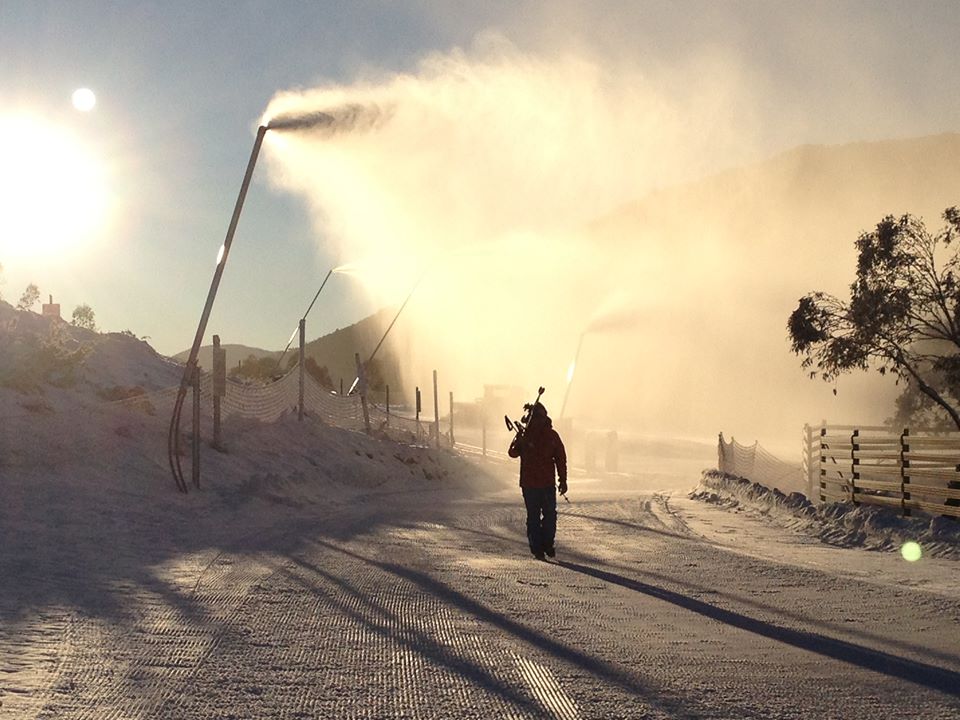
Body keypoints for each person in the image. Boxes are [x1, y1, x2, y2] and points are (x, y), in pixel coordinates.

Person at [508, 402, 568, 560]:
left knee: (534, 517)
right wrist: (563, 480)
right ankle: (546, 544)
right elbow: (561, 459)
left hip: (531, 485)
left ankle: (538, 548)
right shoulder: (549, 435)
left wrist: (518, 440)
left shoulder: (528, 435)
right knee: (549, 516)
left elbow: (512, 452)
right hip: (544, 484)